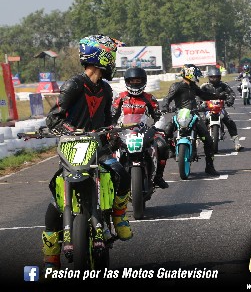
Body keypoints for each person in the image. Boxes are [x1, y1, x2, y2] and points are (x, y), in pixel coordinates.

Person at [43, 34, 132, 269]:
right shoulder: (73, 85)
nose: (113, 61)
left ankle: (119, 217)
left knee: (122, 174)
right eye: (111, 56)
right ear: (101, 57)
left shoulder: (106, 89)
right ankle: (51, 259)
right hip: (72, 150)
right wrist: (73, 130)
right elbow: (54, 118)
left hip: (99, 150)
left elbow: (107, 121)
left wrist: (112, 135)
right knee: (53, 202)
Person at [161, 64, 224, 176]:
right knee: (166, 131)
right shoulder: (176, 86)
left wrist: (217, 96)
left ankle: (209, 167)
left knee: (208, 140)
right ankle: (171, 150)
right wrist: (165, 107)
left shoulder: (193, 86)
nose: (197, 76)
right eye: (195, 74)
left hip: (194, 115)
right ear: (189, 74)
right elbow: (167, 98)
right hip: (180, 114)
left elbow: (203, 95)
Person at [111, 66, 170, 189]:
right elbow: (111, 117)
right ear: (127, 82)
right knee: (107, 148)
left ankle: (158, 176)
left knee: (162, 145)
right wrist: (113, 128)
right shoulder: (120, 98)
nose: (135, 83)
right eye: (132, 81)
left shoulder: (149, 98)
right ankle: (112, 179)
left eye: (138, 81)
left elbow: (159, 117)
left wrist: (155, 128)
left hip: (143, 132)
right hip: (123, 132)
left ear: (144, 81)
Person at [199, 65, 242, 152]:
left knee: (229, 121)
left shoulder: (224, 85)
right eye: (212, 77)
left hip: (220, 108)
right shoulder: (204, 86)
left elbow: (231, 93)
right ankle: (195, 141)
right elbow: (197, 95)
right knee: (199, 123)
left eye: (216, 77)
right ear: (209, 77)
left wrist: (230, 100)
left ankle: (236, 142)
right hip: (207, 109)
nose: (214, 79)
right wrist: (200, 103)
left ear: (219, 77)